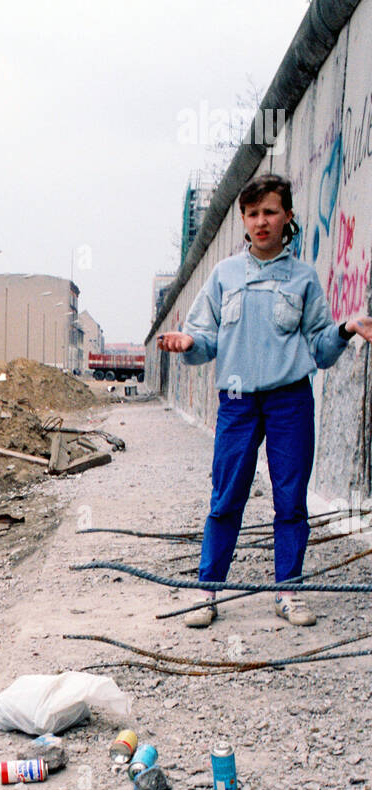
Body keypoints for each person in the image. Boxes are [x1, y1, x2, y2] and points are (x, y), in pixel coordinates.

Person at [158, 173, 372, 628]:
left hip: (289, 401)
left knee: (290, 500)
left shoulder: (303, 279)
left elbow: (320, 348)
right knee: (226, 495)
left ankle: (288, 592)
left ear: (287, 216)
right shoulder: (224, 275)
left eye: (270, 212)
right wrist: (185, 342)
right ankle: (207, 591)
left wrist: (346, 328)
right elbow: (203, 339)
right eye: (252, 214)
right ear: (244, 219)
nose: (261, 221)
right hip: (237, 403)